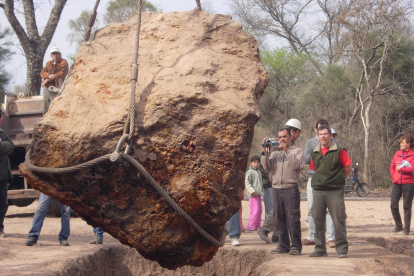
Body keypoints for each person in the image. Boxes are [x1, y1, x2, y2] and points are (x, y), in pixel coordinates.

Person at [309, 125, 352, 258]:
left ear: (330, 135)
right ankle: (320, 249)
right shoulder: (314, 151)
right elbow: (314, 169)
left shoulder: (339, 150)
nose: (323, 136)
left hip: (335, 190)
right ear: (318, 135)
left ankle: (342, 249)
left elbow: (348, 167)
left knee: (338, 219)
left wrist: (337, 179)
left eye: (326, 134)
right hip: (318, 191)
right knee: (318, 220)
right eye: (321, 134)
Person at [258, 119, 302, 244]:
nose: (282, 139)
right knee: (279, 218)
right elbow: (266, 167)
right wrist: (265, 150)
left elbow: (297, 165)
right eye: (279, 137)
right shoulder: (275, 153)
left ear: (290, 137)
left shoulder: (297, 151)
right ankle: (283, 245)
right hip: (277, 188)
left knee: (293, 219)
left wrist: (286, 151)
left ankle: (295, 246)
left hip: (290, 187)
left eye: (284, 137)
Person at [303, 119, 337, 248]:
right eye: (319, 130)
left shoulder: (335, 143)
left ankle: (330, 238)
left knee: (329, 209)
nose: (322, 134)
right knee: (312, 208)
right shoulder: (310, 143)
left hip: (329, 179)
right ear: (316, 130)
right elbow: (306, 159)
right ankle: (312, 236)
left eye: (324, 131)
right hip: (313, 178)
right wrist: (317, 152)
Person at [389, 134, 414, 235]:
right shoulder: (397, 154)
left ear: (409, 144)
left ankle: (406, 228)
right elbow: (392, 167)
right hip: (396, 183)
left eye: (402, 143)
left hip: (409, 183)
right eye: (400, 143)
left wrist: (402, 169)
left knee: (406, 206)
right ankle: (398, 225)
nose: (400, 145)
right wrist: (394, 176)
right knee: (393, 205)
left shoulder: (413, 155)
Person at [40, 47, 69, 114]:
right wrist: (48, 76)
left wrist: (47, 80)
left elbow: (61, 74)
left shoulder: (63, 62)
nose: (55, 55)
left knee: (55, 105)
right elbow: (42, 73)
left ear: (60, 54)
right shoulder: (48, 63)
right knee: (46, 106)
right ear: (51, 56)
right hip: (47, 88)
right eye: (53, 54)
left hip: (57, 88)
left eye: (57, 53)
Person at [0, 110, 14, 238]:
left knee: (3, 203)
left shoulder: (2, 134)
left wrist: (2, 145)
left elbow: (11, 146)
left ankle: (0, 228)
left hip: (3, 176)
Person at [245, 155, 263, 231]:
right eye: (254, 162)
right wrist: (252, 191)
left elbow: (260, 183)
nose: (256, 164)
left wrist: (261, 191)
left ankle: (257, 226)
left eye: (258, 162)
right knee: (254, 211)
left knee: (259, 210)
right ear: (250, 163)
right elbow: (247, 183)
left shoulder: (258, 172)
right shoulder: (249, 172)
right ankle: (250, 227)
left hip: (258, 194)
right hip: (253, 195)